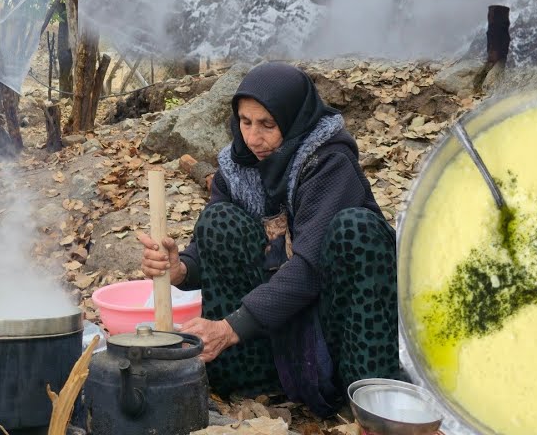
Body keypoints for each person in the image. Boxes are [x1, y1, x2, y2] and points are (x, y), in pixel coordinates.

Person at [137, 62, 402, 415]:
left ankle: (365, 392)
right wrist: (182, 269)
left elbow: (309, 267)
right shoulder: (237, 165)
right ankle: (257, 378)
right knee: (218, 220)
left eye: (267, 124)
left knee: (356, 227)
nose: (252, 138)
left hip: (337, 329)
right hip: (276, 328)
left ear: (294, 120)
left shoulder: (329, 163)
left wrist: (231, 327)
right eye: (245, 122)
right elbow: (211, 249)